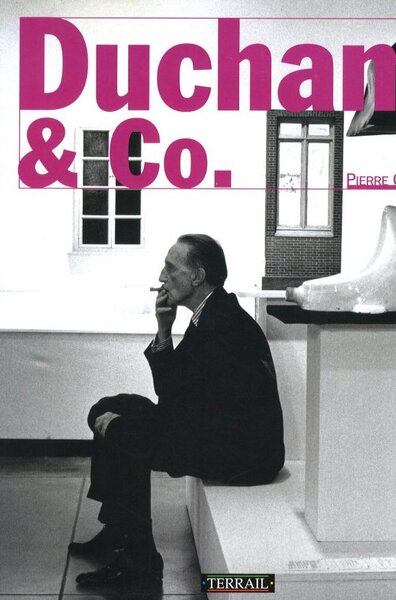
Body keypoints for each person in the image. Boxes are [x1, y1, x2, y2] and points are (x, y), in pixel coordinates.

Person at [70, 233, 285, 587]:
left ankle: (139, 564)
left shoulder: (220, 325)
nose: (161, 277)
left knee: (122, 431)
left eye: (171, 269)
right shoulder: (213, 313)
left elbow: (174, 403)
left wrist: (126, 428)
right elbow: (173, 393)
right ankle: (119, 530)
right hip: (219, 432)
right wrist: (164, 330)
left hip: (242, 454)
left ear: (197, 276)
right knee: (108, 408)